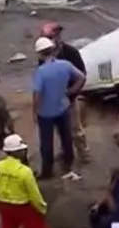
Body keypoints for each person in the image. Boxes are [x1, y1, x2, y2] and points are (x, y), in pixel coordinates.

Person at [32, 36, 85, 180]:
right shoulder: (65, 65)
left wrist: (34, 112)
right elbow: (81, 77)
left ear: (40, 54)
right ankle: (68, 164)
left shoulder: (41, 72)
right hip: (63, 108)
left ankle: (47, 172)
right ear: (53, 50)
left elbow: (37, 94)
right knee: (66, 138)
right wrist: (71, 91)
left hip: (46, 113)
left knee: (46, 142)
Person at [39, 22, 91, 164]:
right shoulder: (43, 56)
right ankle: (65, 151)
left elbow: (82, 75)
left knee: (75, 128)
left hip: (69, 98)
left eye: (51, 36)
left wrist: (71, 92)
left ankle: (84, 153)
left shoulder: (71, 53)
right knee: (61, 128)